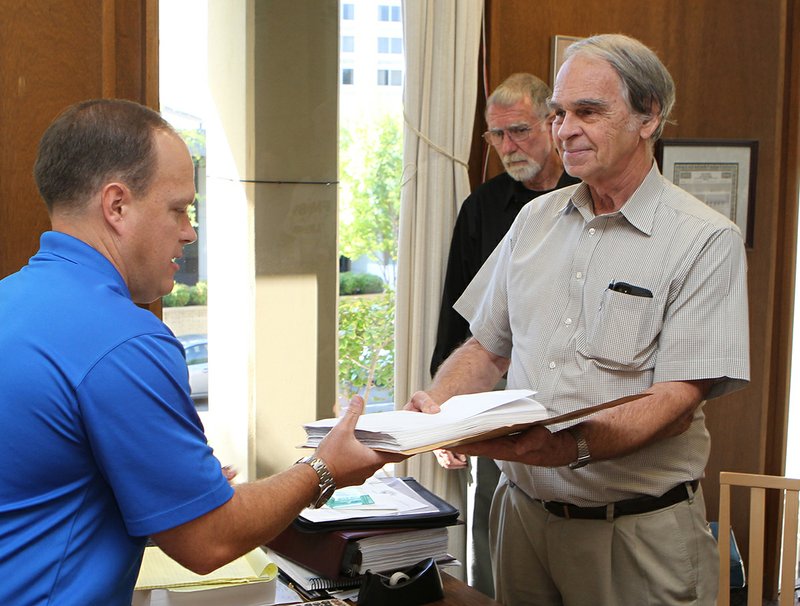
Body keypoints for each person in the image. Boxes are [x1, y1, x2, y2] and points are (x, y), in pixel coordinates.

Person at [0, 99, 403, 605]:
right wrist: (324, 469)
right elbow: (208, 539)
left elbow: (42, 500)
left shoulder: (10, 303)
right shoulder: (126, 339)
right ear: (116, 206)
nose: (190, 231)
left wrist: (170, 489)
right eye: (179, 209)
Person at [409, 34, 749, 606]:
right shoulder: (533, 222)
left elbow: (677, 399)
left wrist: (569, 448)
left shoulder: (704, 239)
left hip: (635, 535)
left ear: (648, 117)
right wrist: (440, 409)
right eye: (560, 113)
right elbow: (487, 346)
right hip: (522, 522)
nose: (565, 130)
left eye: (587, 112)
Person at [429, 72, 578, 598]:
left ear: (551, 123)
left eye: (518, 131)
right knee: (495, 528)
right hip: (493, 392)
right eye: (497, 137)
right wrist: (443, 414)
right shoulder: (483, 208)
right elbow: (457, 320)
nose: (507, 147)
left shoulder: (587, 199)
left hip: (570, 396)